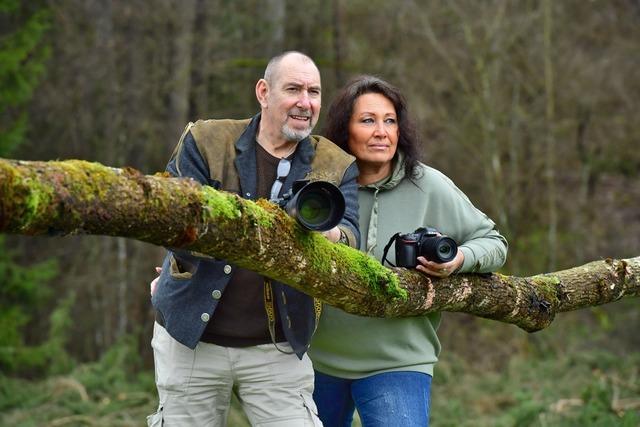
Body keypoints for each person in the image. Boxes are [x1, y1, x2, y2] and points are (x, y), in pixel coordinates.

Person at [147, 51, 360, 427]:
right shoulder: (207, 141)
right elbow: (173, 221)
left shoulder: (334, 164)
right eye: (293, 89)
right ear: (263, 91)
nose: (305, 102)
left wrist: (330, 234)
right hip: (190, 338)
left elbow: (351, 236)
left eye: (314, 92)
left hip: (277, 345)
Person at [309, 76, 508, 426]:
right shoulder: (320, 185)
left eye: (390, 121)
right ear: (344, 130)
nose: (381, 131)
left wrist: (458, 261)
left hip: (399, 363)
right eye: (368, 120)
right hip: (319, 360)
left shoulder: (428, 184)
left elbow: (493, 242)